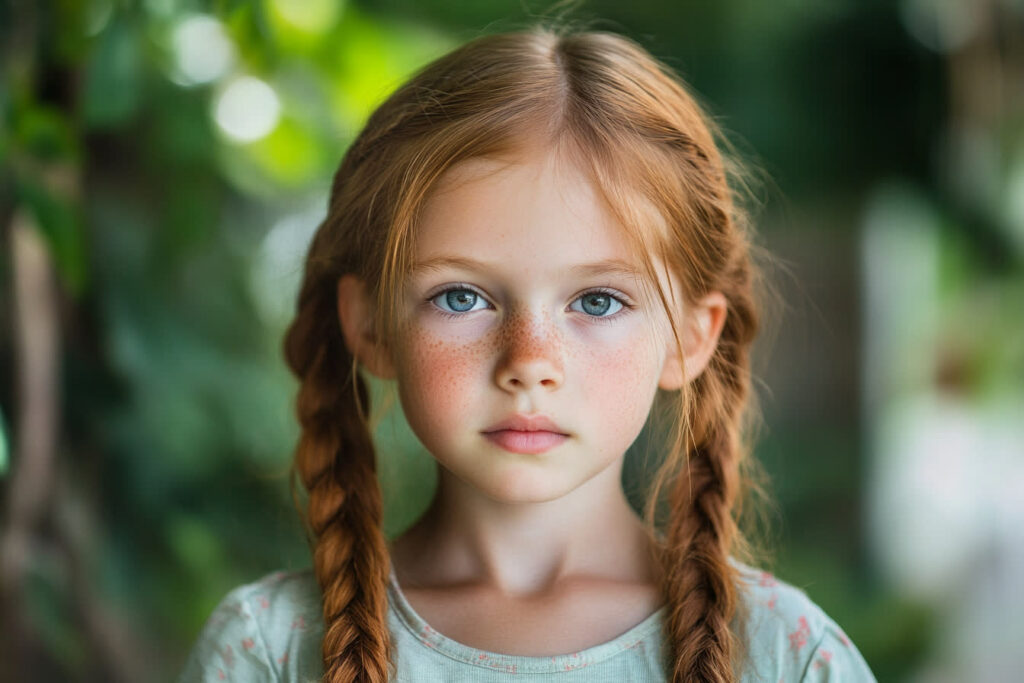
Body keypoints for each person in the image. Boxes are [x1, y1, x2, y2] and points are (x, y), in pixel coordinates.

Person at [178, 26, 876, 683]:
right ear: (371, 326)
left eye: (598, 301)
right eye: (461, 296)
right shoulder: (267, 651)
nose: (530, 360)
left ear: (691, 337)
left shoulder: (788, 657)